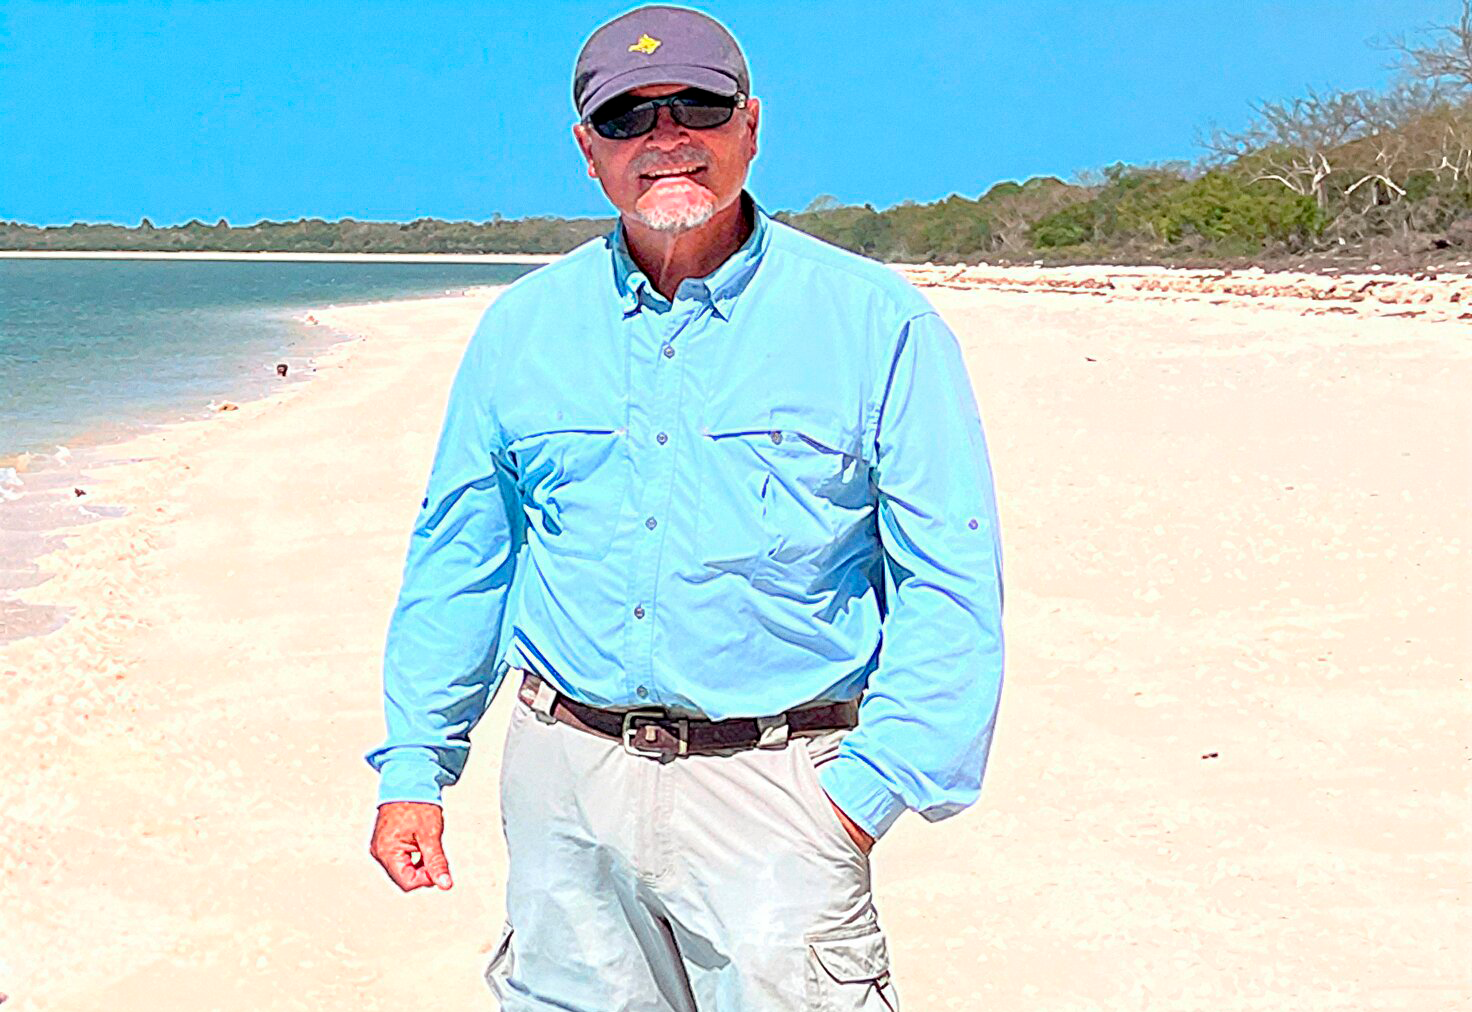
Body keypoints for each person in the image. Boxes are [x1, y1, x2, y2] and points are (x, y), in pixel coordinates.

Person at [366, 5, 1004, 1009]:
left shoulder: (875, 322)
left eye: (695, 107)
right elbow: (461, 561)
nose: (664, 138)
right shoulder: (520, 327)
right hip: (563, 786)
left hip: (780, 787)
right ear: (588, 151)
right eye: (627, 118)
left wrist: (862, 795)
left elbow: (948, 579)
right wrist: (414, 762)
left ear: (749, 124)